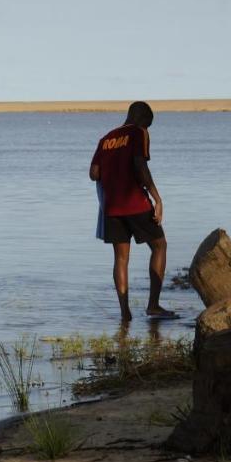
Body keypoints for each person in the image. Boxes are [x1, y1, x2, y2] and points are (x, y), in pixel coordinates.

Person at [89, 101, 176, 322]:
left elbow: (94, 173)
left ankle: (125, 314)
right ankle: (153, 305)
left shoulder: (106, 138)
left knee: (121, 259)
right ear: (142, 119)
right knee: (159, 245)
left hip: (111, 208)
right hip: (135, 202)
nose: (147, 130)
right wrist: (157, 198)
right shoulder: (138, 133)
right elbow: (140, 166)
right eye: (147, 125)